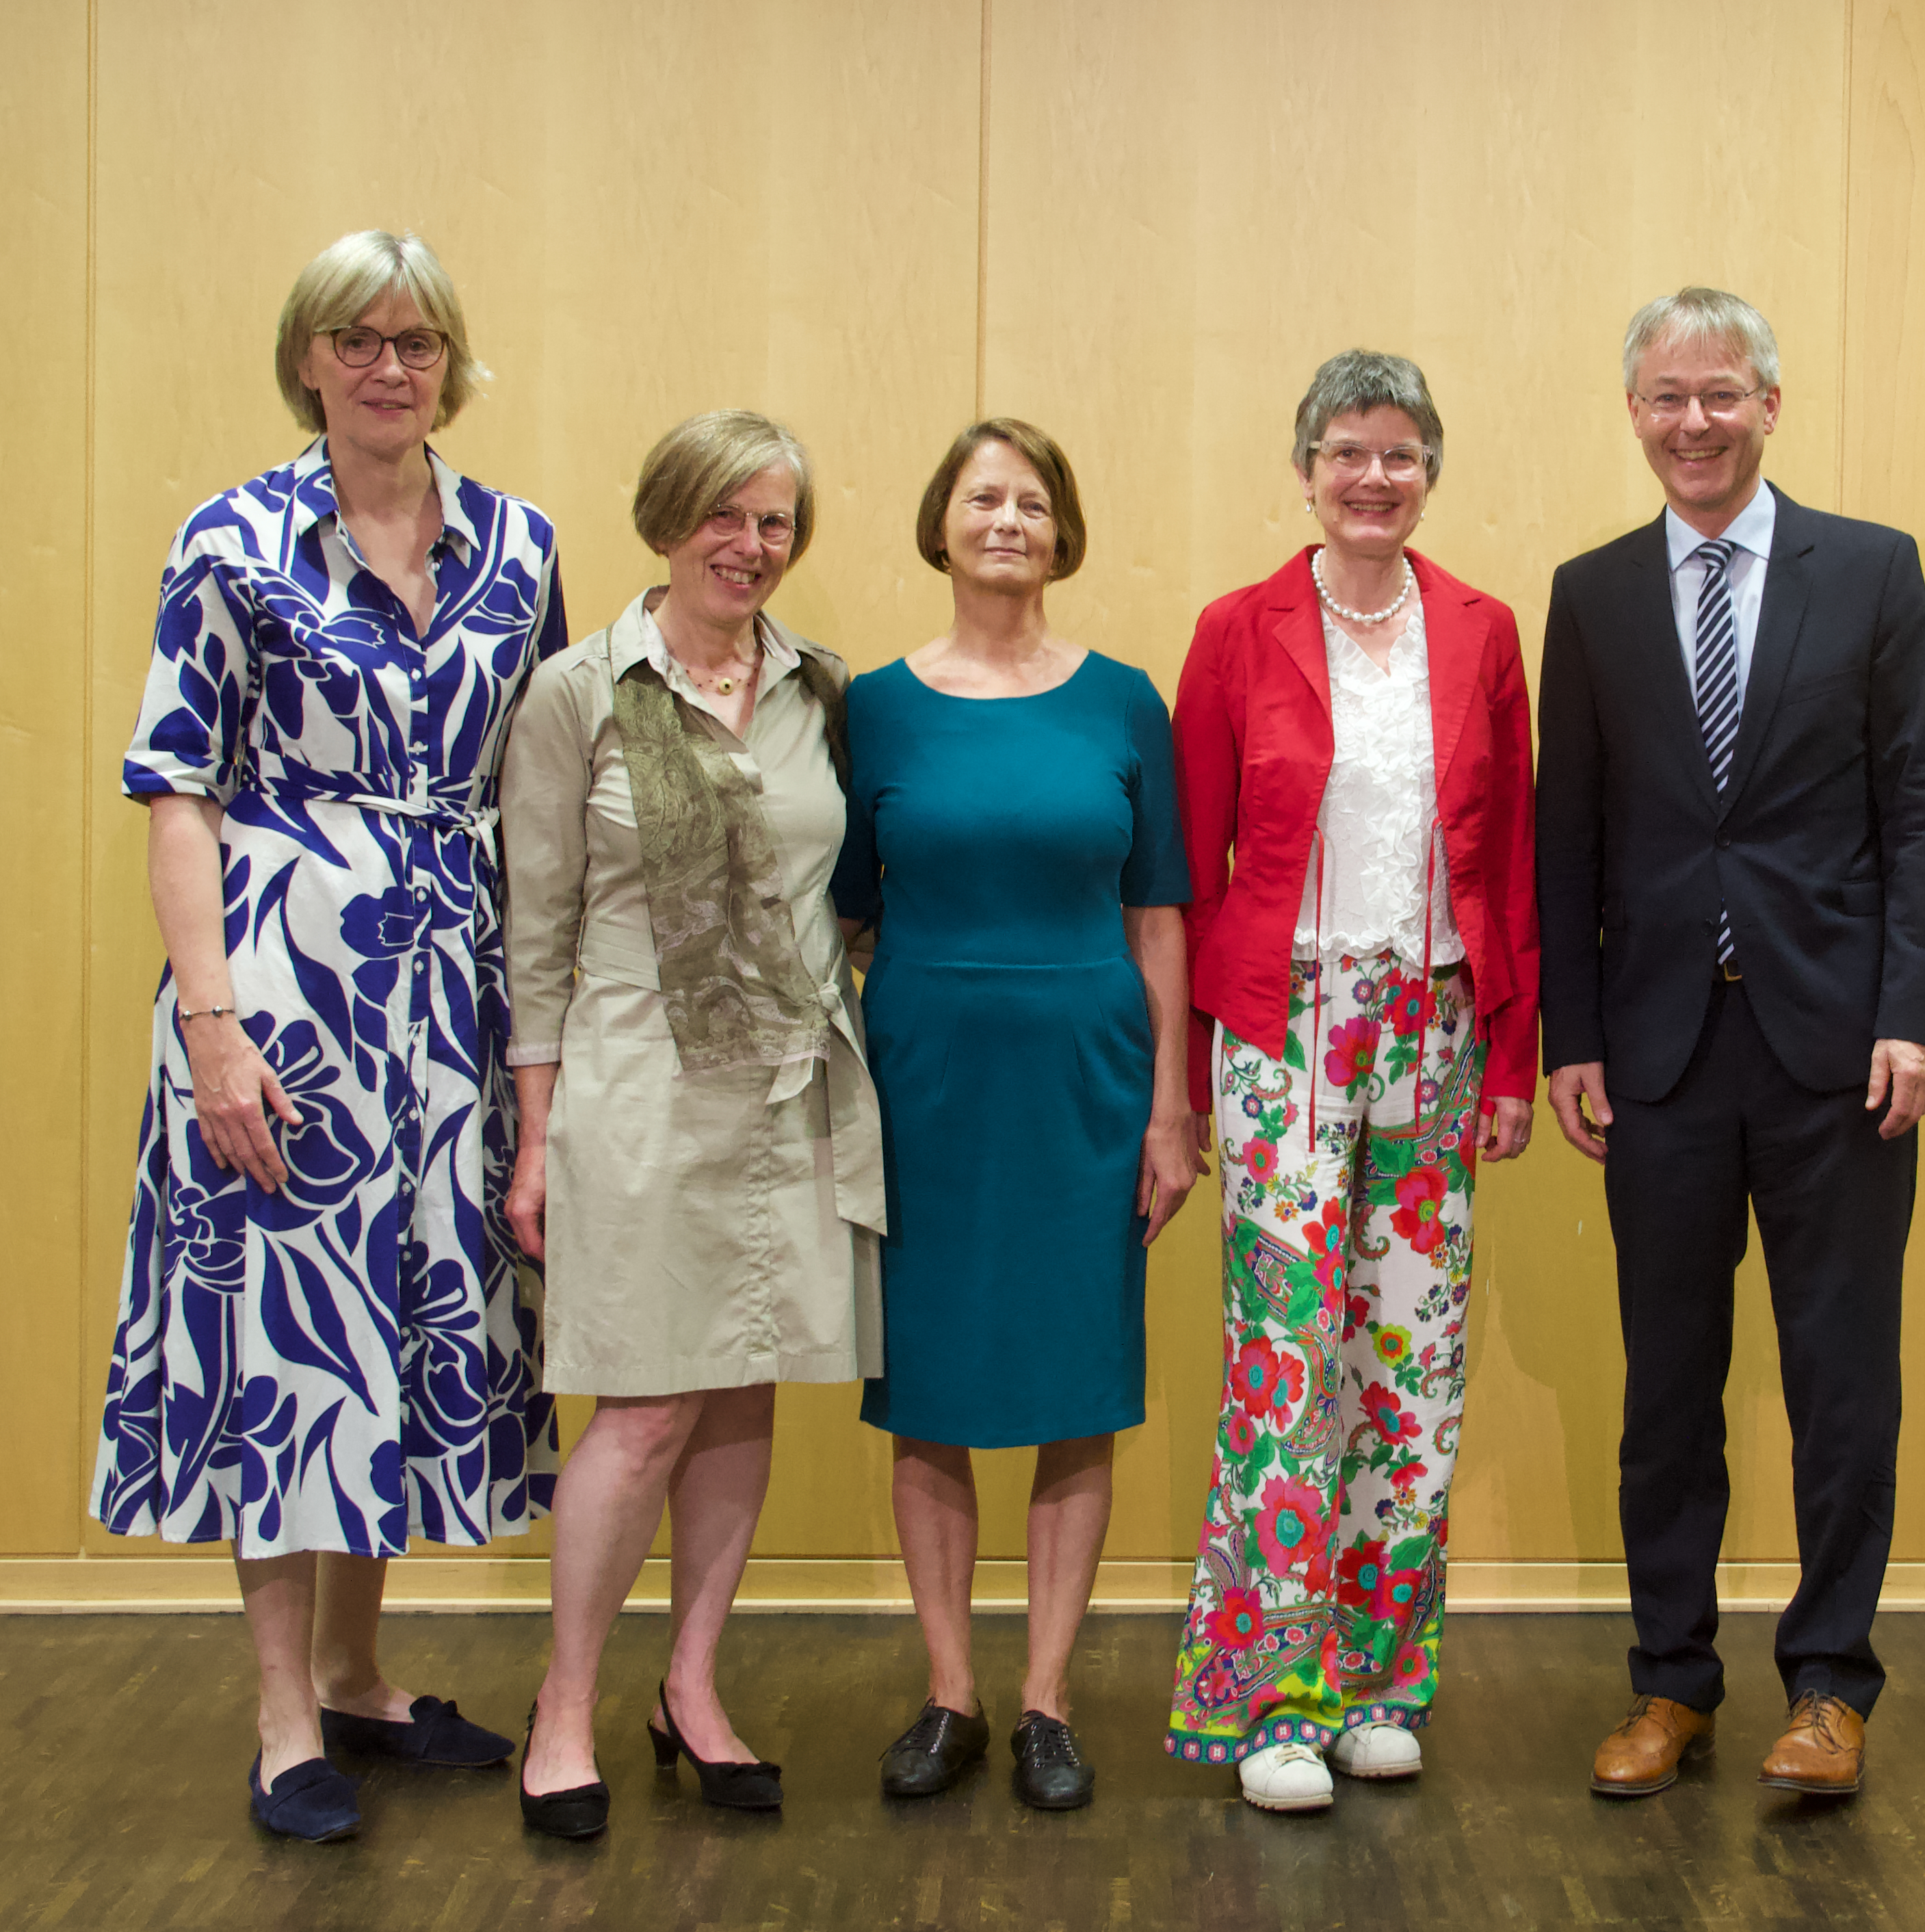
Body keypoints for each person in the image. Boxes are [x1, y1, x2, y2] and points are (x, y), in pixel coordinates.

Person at [90, 230, 564, 1841]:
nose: (389, 364)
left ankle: (362, 1672)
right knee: (285, 1347)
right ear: (305, 358)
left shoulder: (519, 544)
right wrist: (211, 1024)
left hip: (458, 997)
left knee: (403, 1331)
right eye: (357, 338)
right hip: (281, 990)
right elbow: (177, 791)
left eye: (419, 340)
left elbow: (543, 778)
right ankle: (284, 1712)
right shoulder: (232, 540)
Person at [1537, 287, 1925, 1799]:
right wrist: (1567, 1034)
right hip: (1652, 1052)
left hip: (1835, 1047)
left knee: (1840, 1381)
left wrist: (1916, 1009)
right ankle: (1670, 1685)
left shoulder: (1869, 572)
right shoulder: (1587, 594)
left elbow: (1919, 803)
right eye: (1665, 396)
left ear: (1768, 406)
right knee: (1667, 1388)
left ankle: (1830, 1687)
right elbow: (1566, 829)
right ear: (1635, 412)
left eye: (1720, 395)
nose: (1693, 423)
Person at [1162, 350, 1539, 1813]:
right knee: (1284, 1360)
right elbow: (1194, 868)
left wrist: (1506, 1051)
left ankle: (1382, 1680)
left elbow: (1503, 852)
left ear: (1427, 467)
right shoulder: (1235, 629)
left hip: (1434, 1021)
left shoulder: (1481, 628)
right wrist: (1185, 1086)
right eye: (1344, 451)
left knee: (1412, 1361)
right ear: (1304, 467)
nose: (1370, 476)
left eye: (1398, 453)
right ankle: (1272, 1694)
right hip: (1281, 1026)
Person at [499, 410, 882, 1835]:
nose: (750, 544)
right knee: (642, 1404)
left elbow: (844, 888)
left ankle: (694, 1685)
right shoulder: (575, 692)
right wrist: (535, 1137)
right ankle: (564, 1702)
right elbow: (534, 934)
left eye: (776, 521)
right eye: (723, 515)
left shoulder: (817, 689)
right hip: (633, 1089)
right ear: (667, 519)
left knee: (737, 1387)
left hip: (790, 1094)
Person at [833, 417, 1196, 1813]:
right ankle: (948, 1691)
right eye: (982, 495)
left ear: (1062, 531)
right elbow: (844, 906)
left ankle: (1044, 1698)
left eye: (1030, 499)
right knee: (924, 1392)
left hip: (1085, 1077)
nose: (1005, 518)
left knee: (1070, 1388)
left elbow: (1157, 909)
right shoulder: (869, 705)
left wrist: (1171, 1108)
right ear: (940, 521)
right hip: (922, 1073)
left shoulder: (1121, 702)